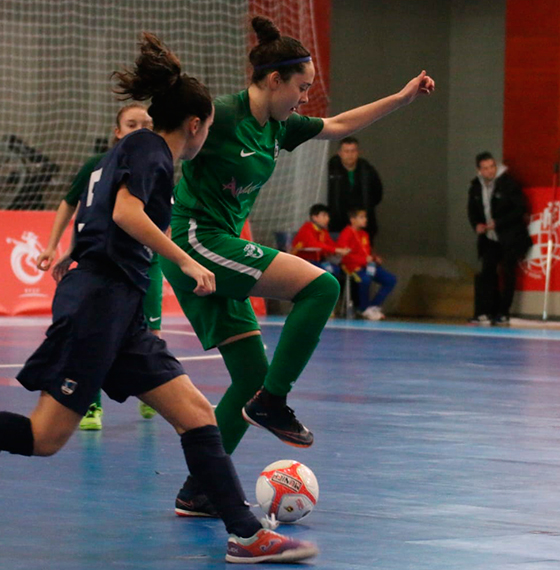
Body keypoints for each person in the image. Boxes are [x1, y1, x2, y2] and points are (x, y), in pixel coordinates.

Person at [0, 32, 318, 563]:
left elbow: (101, 212)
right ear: (195, 126)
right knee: (45, 436)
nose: (207, 140)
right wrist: (186, 259)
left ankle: (245, 535)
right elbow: (127, 213)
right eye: (209, 130)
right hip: (99, 306)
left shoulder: (133, 149)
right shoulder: (151, 150)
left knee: (196, 413)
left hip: (119, 308)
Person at [159, 15, 433, 515]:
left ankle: (199, 488)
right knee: (321, 288)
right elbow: (175, 139)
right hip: (198, 240)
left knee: (247, 377)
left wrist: (403, 97)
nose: (305, 97)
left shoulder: (279, 127)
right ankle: (272, 402)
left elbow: (342, 124)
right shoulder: (220, 115)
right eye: (300, 87)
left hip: (222, 245)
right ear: (272, 81)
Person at [37, 103, 159, 430]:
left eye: (147, 124)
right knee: (94, 335)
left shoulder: (158, 165)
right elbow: (84, 212)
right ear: (117, 132)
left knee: (150, 333)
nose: (140, 129)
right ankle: (91, 405)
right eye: (132, 124)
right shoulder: (98, 166)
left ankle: (153, 392)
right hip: (106, 265)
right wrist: (59, 247)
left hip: (147, 264)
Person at [466, 152, 532, 325]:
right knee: (487, 273)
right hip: (489, 238)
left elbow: (520, 209)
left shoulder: (508, 184)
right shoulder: (475, 187)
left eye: (492, 167)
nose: (490, 171)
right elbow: (472, 210)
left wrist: (499, 223)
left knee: (508, 274)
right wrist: (477, 225)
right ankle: (484, 312)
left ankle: (503, 312)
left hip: (510, 237)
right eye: (485, 168)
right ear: (479, 170)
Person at [336, 208, 397, 320]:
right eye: (361, 217)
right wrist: (363, 260)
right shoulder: (347, 233)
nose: (365, 219)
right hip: (352, 267)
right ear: (352, 220)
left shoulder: (364, 234)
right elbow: (344, 255)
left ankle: (373, 306)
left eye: (365, 217)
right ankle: (363, 308)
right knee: (365, 280)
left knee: (391, 279)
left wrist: (374, 258)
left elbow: (366, 252)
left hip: (367, 266)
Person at [327, 137, 383, 239]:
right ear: (339, 153)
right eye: (346, 151)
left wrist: (365, 210)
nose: (350, 155)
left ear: (358, 152)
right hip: (337, 224)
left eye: (353, 151)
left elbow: (377, 193)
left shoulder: (367, 170)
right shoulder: (330, 170)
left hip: (363, 224)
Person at [291, 203, 350, 277]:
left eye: (328, 216)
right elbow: (314, 244)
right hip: (303, 262)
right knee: (327, 272)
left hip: (317, 261)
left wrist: (341, 249)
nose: (327, 218)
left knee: (336, 270)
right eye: (324, 215)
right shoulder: (306, 228)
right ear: (315, 217)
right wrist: (336, 250)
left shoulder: (323, 231)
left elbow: (330, 244)